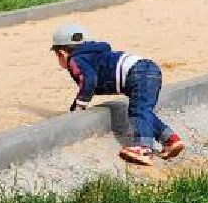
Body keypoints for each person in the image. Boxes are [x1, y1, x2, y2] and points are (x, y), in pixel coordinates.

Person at [50, 23, 184, 168]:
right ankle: (170, 139)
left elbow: (89, 80)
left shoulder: (75, 60)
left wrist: (79, 106)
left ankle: (144, 149)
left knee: (139, 111)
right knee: (143, 110)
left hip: (137, 73)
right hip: (148, 69)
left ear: (62, 53)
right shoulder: (94, 54)